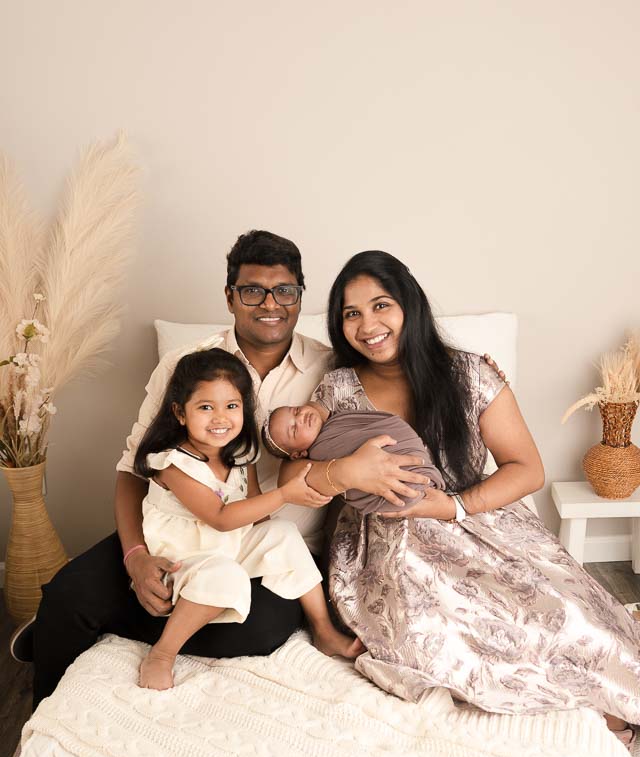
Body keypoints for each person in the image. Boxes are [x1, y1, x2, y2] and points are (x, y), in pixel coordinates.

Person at [16, 230, 428, 708]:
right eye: (253, 290)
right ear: (230, 297)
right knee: (66, 595)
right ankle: (48, 689)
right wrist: (136, 558)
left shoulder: (333, 371)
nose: (270, 304)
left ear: (300, 297)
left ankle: (119, 619)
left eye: (285, 291)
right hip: (179, 530)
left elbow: (392, 393)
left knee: (259, 630)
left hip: (262, 541)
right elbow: (133, 470)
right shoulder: (186, 366)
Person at [279, 250, 640, 745]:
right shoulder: (338, 388)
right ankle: (586, 710)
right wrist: (344, 471)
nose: (368, 326)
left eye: (381, 306)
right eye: (351, 314)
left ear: (409, 305)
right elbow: (291, 472)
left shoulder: (470, 373)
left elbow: (527, 469)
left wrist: (451, 506)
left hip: (476, 519)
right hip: (388, 547)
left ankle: (613, 698)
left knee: (570, 616)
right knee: (449, 635)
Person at [133, 347, 361, 689]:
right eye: (205, 407)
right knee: (226, 576)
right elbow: (221, 517)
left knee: (283, 532)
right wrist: (285, 494)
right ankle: (163, 653)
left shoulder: (241, 454)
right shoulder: (173, 464)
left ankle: (323, 629)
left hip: (228, 545)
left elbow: (254, 511)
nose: (220, 418)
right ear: (180, 413)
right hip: (183, 559)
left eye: (231, 406)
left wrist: (296, 491)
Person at [262, 403, 445, 513]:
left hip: (423, 471)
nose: (301, 417)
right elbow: (288, 479)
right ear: (298, 454)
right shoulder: (320, 452)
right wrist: (350, 470)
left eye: (295, 411)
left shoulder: (337, 418)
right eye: (294, 429)